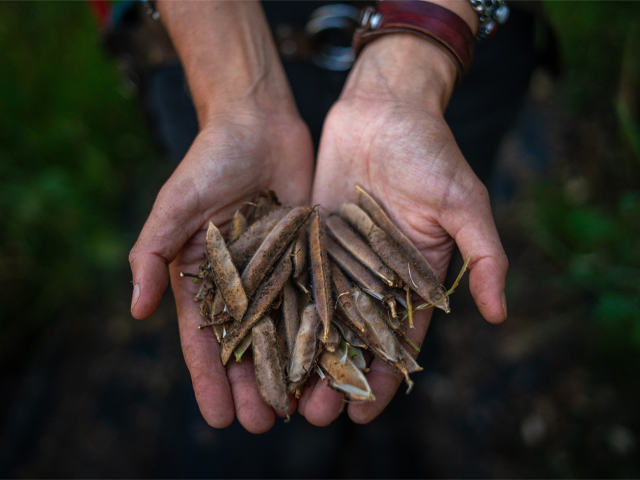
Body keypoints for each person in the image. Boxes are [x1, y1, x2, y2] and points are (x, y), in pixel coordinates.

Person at [128, 0, 513, 434]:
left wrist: (416, 59)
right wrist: (233, 97)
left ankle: (397, 422)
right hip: (205, 37)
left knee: (418, 299)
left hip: (449, 43)